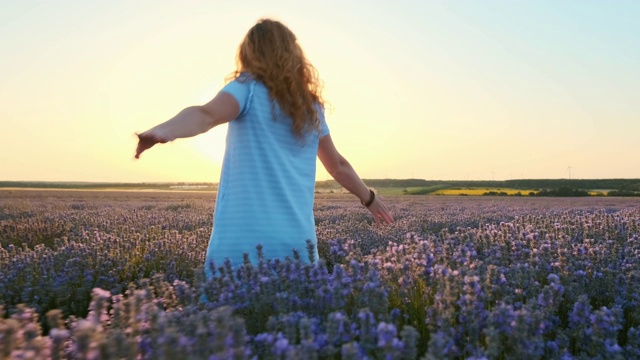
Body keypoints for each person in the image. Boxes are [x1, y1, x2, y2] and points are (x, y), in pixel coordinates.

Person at [135, 19, 393, 276]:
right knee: (295, 314)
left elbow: (206, 115)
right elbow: (337, 166)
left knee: (229, 312)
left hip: (241, 243)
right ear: (294, 56)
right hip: (297, 244)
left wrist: (166, 130)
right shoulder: (311, 108)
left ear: (250, 53)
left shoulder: (246, 88)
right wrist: (368, 198)